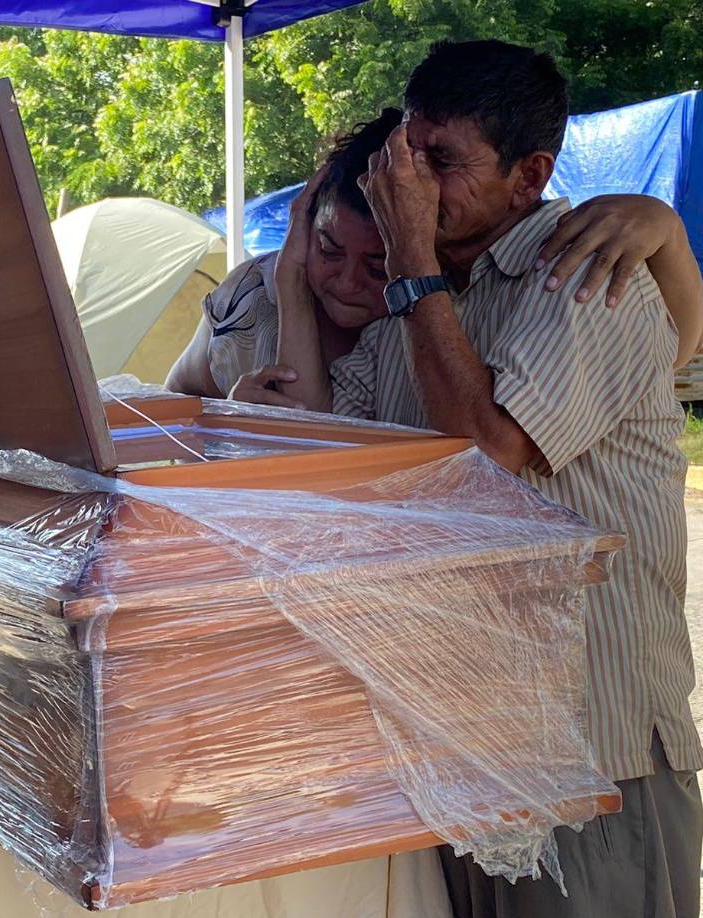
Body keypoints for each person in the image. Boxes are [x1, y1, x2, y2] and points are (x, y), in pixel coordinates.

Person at [275, 40, 701, 918]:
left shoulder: (585, 269)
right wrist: (294, 284)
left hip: (592, 751)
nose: (411, 187)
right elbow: (334, 449)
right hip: (466, 739)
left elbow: (488, 456)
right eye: (408, 155)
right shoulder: (423, 295)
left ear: (528, 173)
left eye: (443, 162)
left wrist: (415, 267)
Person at [165, 116, 703, 406]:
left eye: (379, 266)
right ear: (303, 225)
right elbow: (176, 401)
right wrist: (228, 422)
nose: (348, 281)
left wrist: (669, 231)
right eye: (328, 249)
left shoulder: (446, 306)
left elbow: (668, 352)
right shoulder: (251, 296)